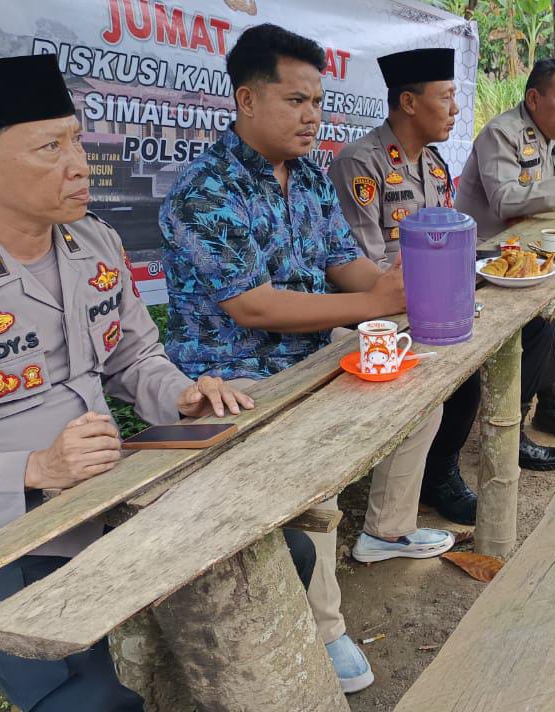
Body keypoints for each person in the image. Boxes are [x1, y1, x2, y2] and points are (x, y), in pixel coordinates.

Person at [0, 55, 281, 712]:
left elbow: (134, 357)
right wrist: (34, 467)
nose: (80, 163)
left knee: (264, 570)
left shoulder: (93, 243)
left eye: (77, 138)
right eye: (50, 147)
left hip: (111, 491)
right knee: (83, 703)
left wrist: (178, 393)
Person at [159, 25, 455, 694]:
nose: (312, 116)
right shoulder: (204, 191)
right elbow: (254, 307)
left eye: (318, 102)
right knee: (311, 487)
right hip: (233, 379)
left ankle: (386, 531)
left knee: (424, 389)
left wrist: (396, 294)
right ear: (245, 99)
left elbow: (341, 264)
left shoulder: (311, 178)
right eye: (296, 101)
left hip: (314, 357)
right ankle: (325, 629)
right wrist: (368, 307)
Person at [329, 49, 555, 523]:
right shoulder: (361, 163)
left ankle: (509, 433)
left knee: (534, 321)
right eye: (446, 98)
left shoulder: (436, 167)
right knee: (459, 361)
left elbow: (455, 241)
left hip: (437, 296)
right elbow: (365, 263)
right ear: (409, 102)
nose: (456, 110)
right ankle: (439, 473)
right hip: (385, 304)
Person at [455, 58, 555, 443]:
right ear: (533, 98)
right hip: (488, 257)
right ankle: (524, 416)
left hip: (530, 248)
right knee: (538, 317)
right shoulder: (502, 133)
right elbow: (504, 201)